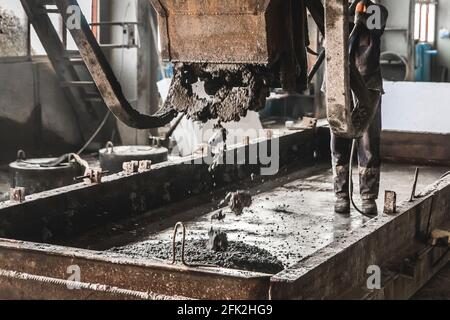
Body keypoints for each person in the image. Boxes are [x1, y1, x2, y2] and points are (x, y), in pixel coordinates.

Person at [332, 1, 388, 215]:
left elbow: (373, 24)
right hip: (339, 83)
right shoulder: (334, 8)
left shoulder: (376, 10)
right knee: (339, 141)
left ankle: (367, 196)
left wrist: (358, 12)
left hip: (368, 86)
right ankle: (341, 195)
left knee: (368, 145)